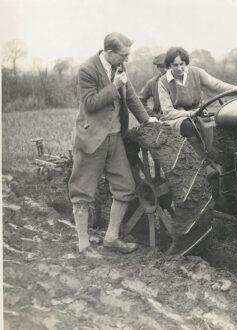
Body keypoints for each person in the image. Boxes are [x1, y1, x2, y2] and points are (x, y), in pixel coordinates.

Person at [69, 32, 154, 257]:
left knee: (125, 188)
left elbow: (132, 97)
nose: (126, 60)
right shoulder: (87, 69)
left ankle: (111, 237)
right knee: (82, 192)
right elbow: (89, 104)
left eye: (127, 55)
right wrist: (114, 86)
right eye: (123, 55)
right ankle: (84, 245)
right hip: (92, 139)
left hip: (115, 138)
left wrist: (148, 120)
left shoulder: (120, 68)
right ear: (109, 52)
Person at [158, 46, 237, 160]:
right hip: (177, 117)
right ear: (169, 66)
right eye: (175, 65)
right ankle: (199, 160)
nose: (180, 68)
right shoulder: (163, 82)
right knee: (188, 125)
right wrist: (190, 114)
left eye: (182, 64)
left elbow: (217, 85)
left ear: (186, 62)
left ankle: (225, 157)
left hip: (199, 112)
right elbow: (168, 112)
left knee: (223, 122)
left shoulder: (196, 73)